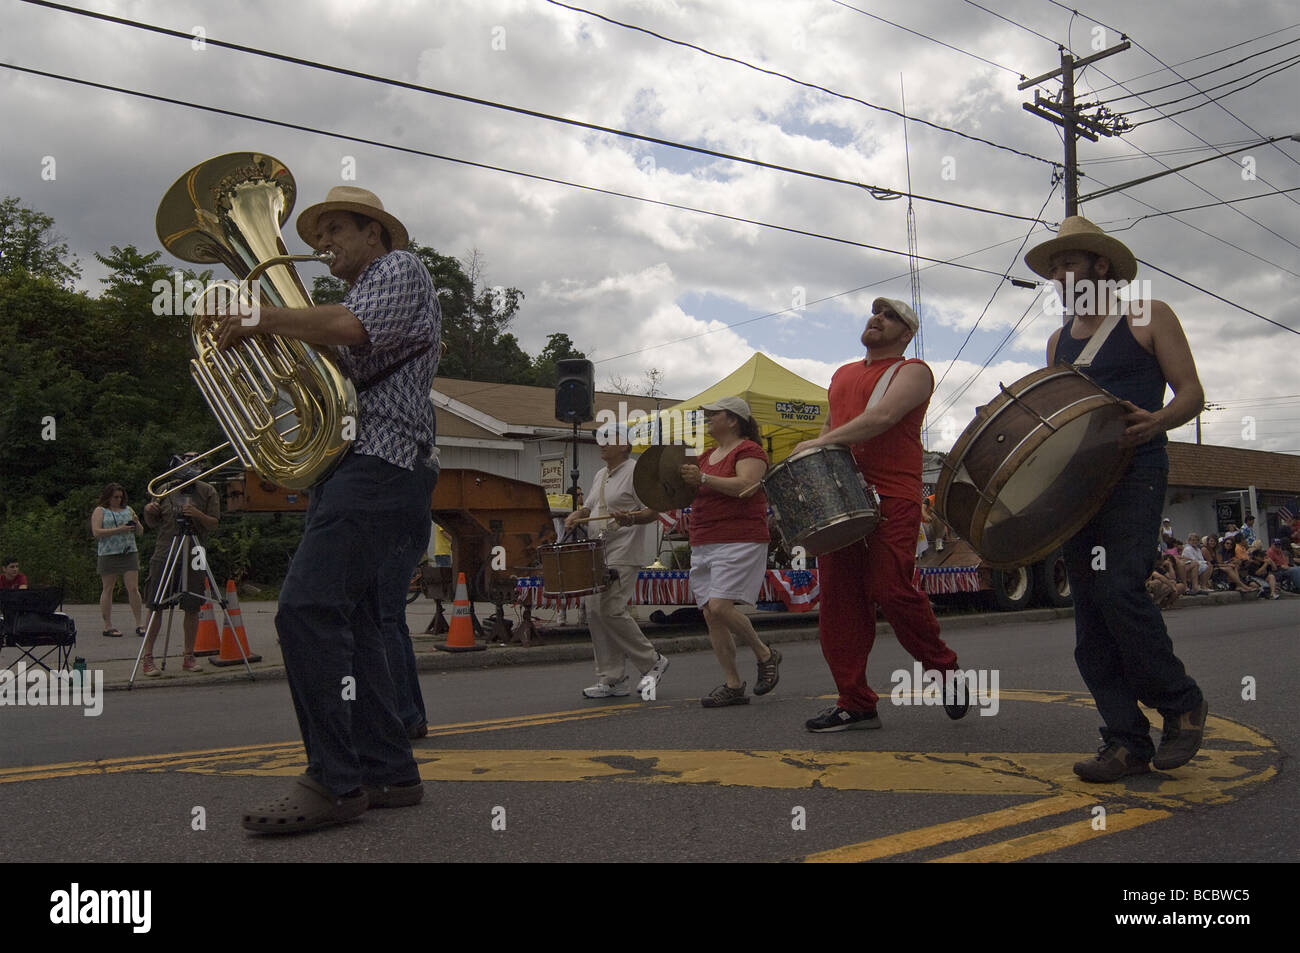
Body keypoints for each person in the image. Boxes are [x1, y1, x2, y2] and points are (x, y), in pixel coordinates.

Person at [217, 185, 439, 833]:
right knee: (364, 620)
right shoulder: (359, 287)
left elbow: (350, 329)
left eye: (336, 229)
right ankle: (388, 769)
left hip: (380, 462)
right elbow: (332, 357)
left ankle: (333, 781)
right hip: (362, 465)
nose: (322, 244)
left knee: (305, 609)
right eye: (319, 233)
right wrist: (269, 341)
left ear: (375, 233)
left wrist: (264, 318)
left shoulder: (399, 267)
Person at [1029, 216, 1207, 782]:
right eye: (1054, 267)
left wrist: (1156, 421)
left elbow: (1193, 393)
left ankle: (1180, 700)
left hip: (1137, 471)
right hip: (1081, 484)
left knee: (1119, 590)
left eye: (1069, 262)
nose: (1059, 274)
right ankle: (1125, 740)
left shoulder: (1148, 314)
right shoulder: (1059, 341)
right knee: (1089, 616)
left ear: (1100, 265)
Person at [791, 297, 967, 731]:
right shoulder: (842, 374)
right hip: (842, 500)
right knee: (839, 605)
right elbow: (829, 431)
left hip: (892, 497)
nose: (877, 319)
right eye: (875, 313)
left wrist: (817, 444)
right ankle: (856, 703)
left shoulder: (914, 371)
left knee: (890, 589)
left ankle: (945, 671)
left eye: (890, 317)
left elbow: (882, 417)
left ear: (906, 334)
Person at [678, 397, 781, 707]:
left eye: (714, 414)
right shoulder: (707, 455)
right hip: (704, 539)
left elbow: (747, 485)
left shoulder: (749, 450)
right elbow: (690, 489)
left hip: (739, 537)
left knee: (721, 606)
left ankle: (765, 654)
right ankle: (733, 684)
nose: (707, 418)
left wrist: (705, 478)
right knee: (711, 614)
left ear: (733, 419)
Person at [564, 429, 669, 700]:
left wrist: (631, 520)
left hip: (623, 550)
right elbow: (590, 508)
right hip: (597, 552)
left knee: (610, 609)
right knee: (594, 611)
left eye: (609, 440)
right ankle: (612, 679)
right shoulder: (601, 474)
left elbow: (653, 510)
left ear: (624, 445)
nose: (603, 445)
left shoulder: (636, 472)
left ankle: (652, 661)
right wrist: (578, 514)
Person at [140, 455, 221, 675]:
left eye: (196, 463)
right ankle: (148, 657)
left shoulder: (207, 491)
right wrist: (149, 512)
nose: (192, 466)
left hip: (195, 551)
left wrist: (197, 514)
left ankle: (189, 656)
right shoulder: (165, 488)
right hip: (166, 550)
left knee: (193, 605)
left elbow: (214, 524)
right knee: (156, 604)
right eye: (187, 462)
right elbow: (152, 522)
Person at [91, 483, 145, 637]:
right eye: (115, 497)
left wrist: (136, 522)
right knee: (108, 587)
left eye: (121, 497)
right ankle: (108, 625)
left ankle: (139, 623)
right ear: (108, 497)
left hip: (128, 551)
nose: (118, 500)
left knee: (133, 588)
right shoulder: (100, 511)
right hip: (108, 552)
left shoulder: (128, 510)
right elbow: (96, 532)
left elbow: (140, 532)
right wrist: (119, 530)